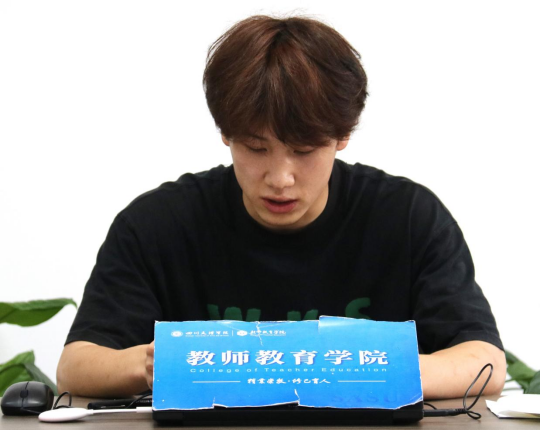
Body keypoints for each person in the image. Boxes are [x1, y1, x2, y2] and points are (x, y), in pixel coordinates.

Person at [57, 14, 506, 400]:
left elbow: (484, 361)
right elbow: (77, 365)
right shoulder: (157, 224)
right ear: (225, 133)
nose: (280, 178)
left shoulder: (407, 217)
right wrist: (160, 363)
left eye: (304, 150)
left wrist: (364, 368)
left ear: (343, 135)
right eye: (256, 148)